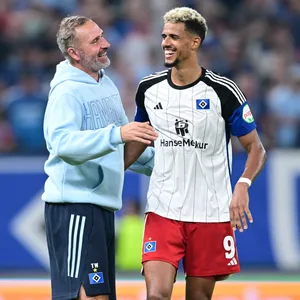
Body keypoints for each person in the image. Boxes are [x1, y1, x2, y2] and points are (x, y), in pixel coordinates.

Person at [124, 7, 267, 300]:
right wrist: (113, 170)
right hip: (163, 209)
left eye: (174, 37)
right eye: (164, 36)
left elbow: (256, 148)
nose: (166, 42)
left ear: (194, 42)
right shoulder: (149, 89)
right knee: (156, 296)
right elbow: (142, 135)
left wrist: (243, 185)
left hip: (210, 212)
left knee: (198, 298)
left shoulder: (224, 91)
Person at [42, 16, 157, 300]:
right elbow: (61, 143)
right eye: (95, 41)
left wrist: (165, 164)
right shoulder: (66, 91)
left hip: (102, 209)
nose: (106, 44)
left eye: (102, 36)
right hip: (74, 208)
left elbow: (125, 144)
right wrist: (118, 134)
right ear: (74, 53)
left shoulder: (106, 84)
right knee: (89, 296)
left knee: (99, 296)